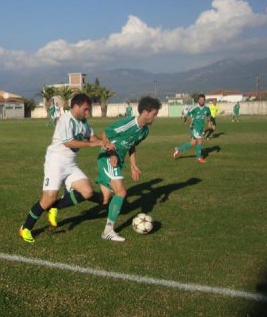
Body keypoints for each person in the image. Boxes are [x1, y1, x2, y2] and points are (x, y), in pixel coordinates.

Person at [19, 93, 113, 243]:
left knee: (87, 191)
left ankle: (55, 207)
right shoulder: (65, 119)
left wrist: (103, 143)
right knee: (48, 198)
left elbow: (91, 137)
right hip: (55, 162)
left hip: (70, 164)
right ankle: (25, 228)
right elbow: (69, 142)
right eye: (86, 109)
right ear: (75, 106)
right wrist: (93, 144)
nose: (87, 112)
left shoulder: (82, 122)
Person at [96, 96, 162, 242]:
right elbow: (104, 134)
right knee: (121, 192)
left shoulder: (144, 131)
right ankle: (108, 231)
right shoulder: (128, 124)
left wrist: (133, 165)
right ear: (145, 112)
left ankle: (67, 199)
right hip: (108, 159)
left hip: (118, 162)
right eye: (154, 114)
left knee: (105, 198)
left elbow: (131, 145)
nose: (156, 117)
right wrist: (111, 152)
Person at [173, 94, 210, 163]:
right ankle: (199, 157)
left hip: (200, 127)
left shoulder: (207, 109)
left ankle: (178, 149)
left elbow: (208, 116)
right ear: (198, 100)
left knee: (193, 143)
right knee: (200, 140)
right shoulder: (194, 108)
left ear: (204, 100)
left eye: (203, 100)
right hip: (194, 127)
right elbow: (187, 115)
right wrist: (190, 123)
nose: (201, 101)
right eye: (200, 100)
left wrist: (209, 123)